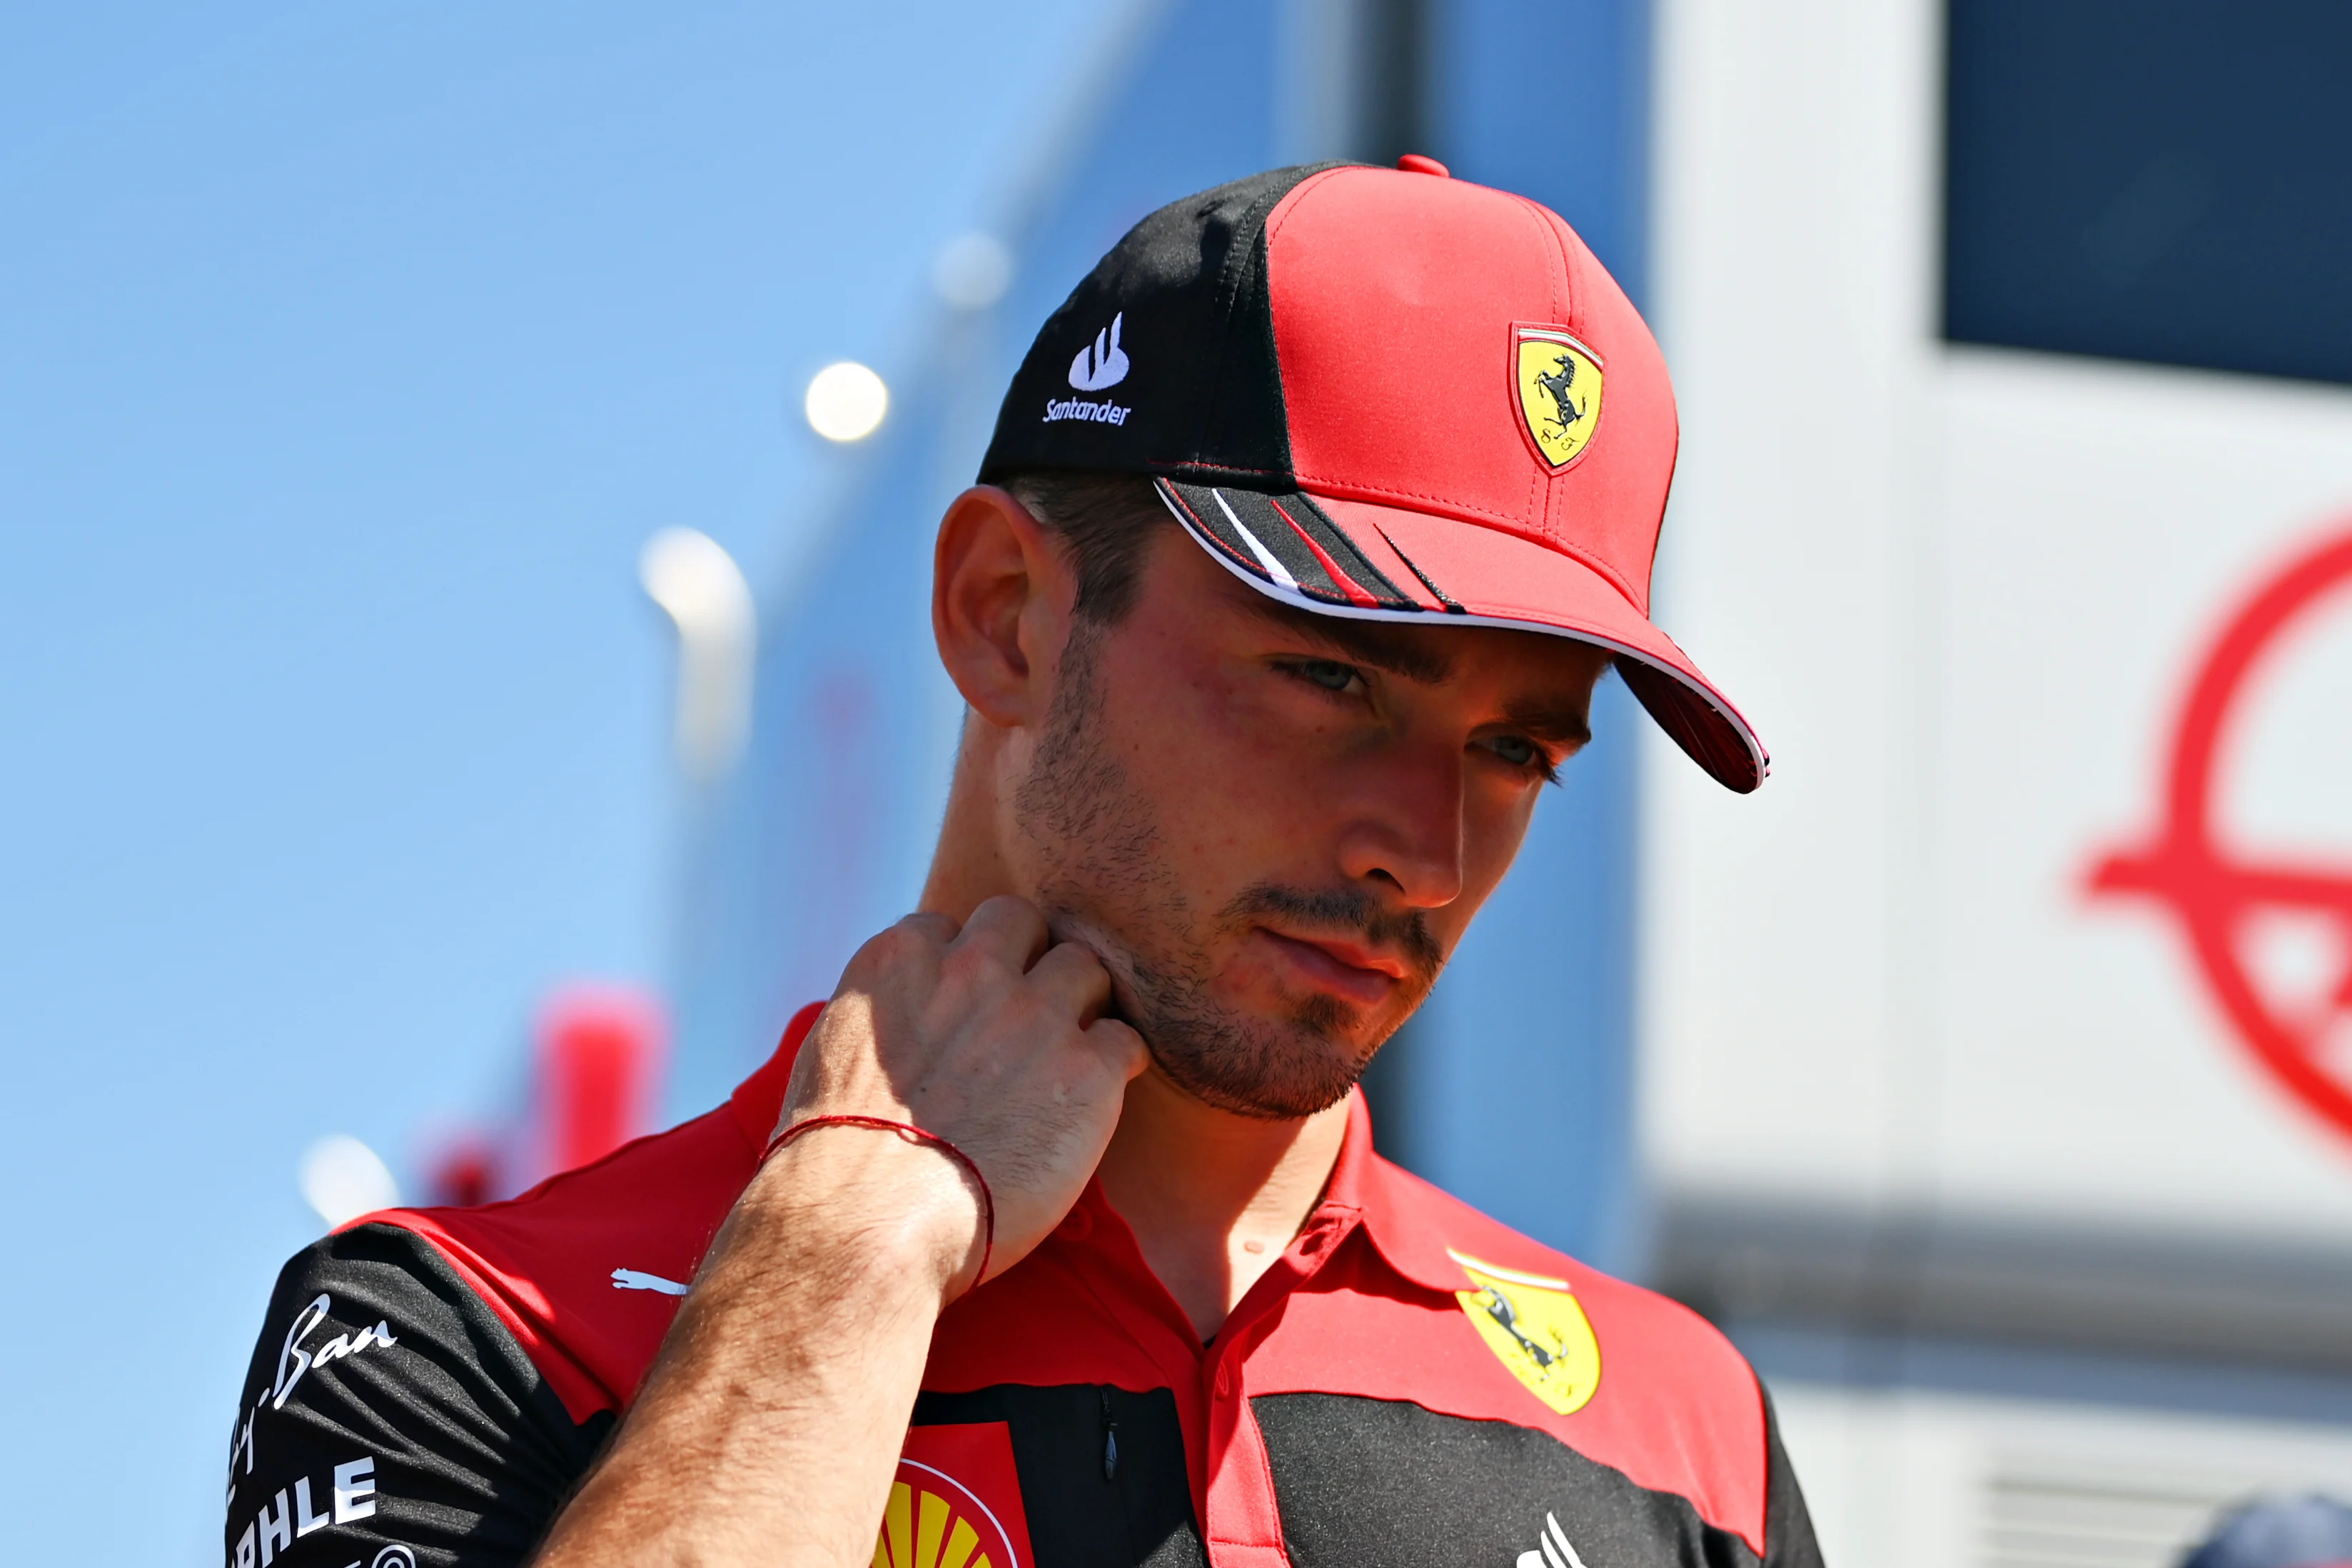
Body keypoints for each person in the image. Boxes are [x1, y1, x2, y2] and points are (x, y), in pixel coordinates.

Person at [224, 158, 1815, 1568]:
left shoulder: (1685, 1439)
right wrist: (843, 1256)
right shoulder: (469, 1329)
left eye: (1517, 749)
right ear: (1003, 615)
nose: (1426, 853)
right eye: (1334, 677)